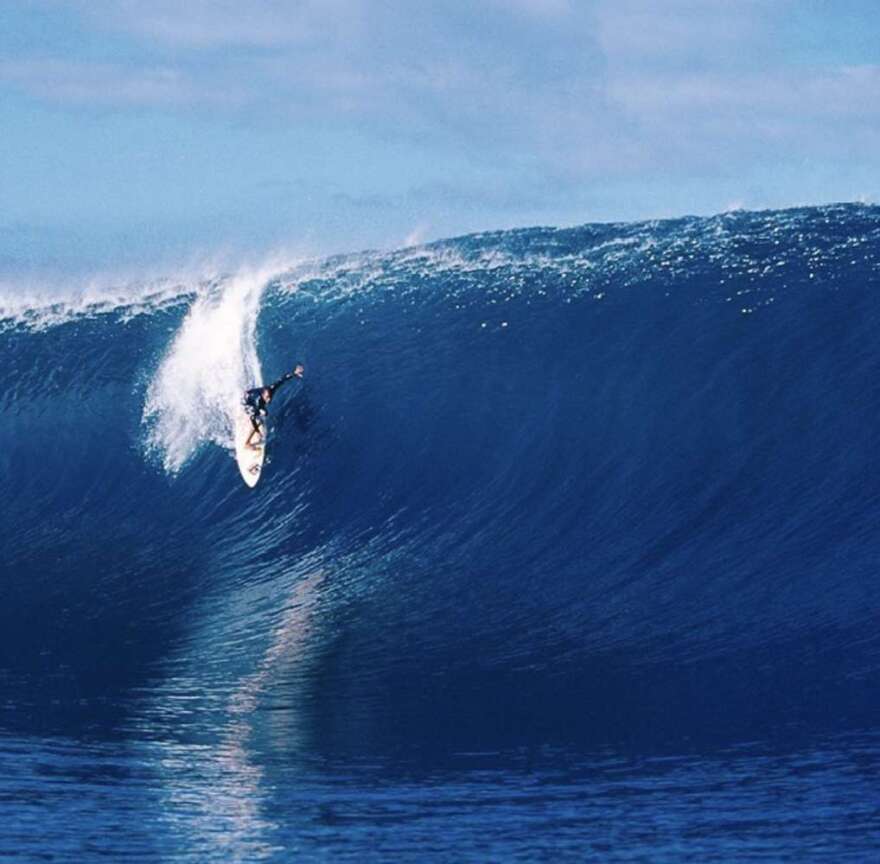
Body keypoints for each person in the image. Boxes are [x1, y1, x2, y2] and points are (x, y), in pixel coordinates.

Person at [243, 364, 304, 449]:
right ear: (263, 396)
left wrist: (294, 373)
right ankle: (247, 443)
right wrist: (258, 432)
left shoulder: (271, 388)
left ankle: (257, 424)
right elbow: (252, 418)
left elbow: (282, 379)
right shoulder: (258, 401)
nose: (269, 400)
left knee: (264, 414)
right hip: (246, 401)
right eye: (267, 398)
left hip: (251, 394)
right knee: (259, 419)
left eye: (269, 397)